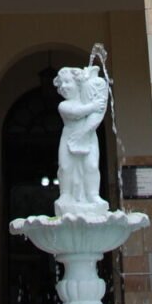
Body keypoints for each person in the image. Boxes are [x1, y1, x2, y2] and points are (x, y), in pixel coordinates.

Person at [54, 65, 109, 216]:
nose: (64, 87)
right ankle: (65, 194)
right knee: (65, 167)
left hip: (89, 137)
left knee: (91, 166)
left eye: (67, 82)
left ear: (78, 84)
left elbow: (96, 115)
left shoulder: (87, 101)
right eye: (61, 84)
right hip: (69, 138)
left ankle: (93, 194)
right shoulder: (63, 105)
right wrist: (93, 106)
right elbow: (76, 113)